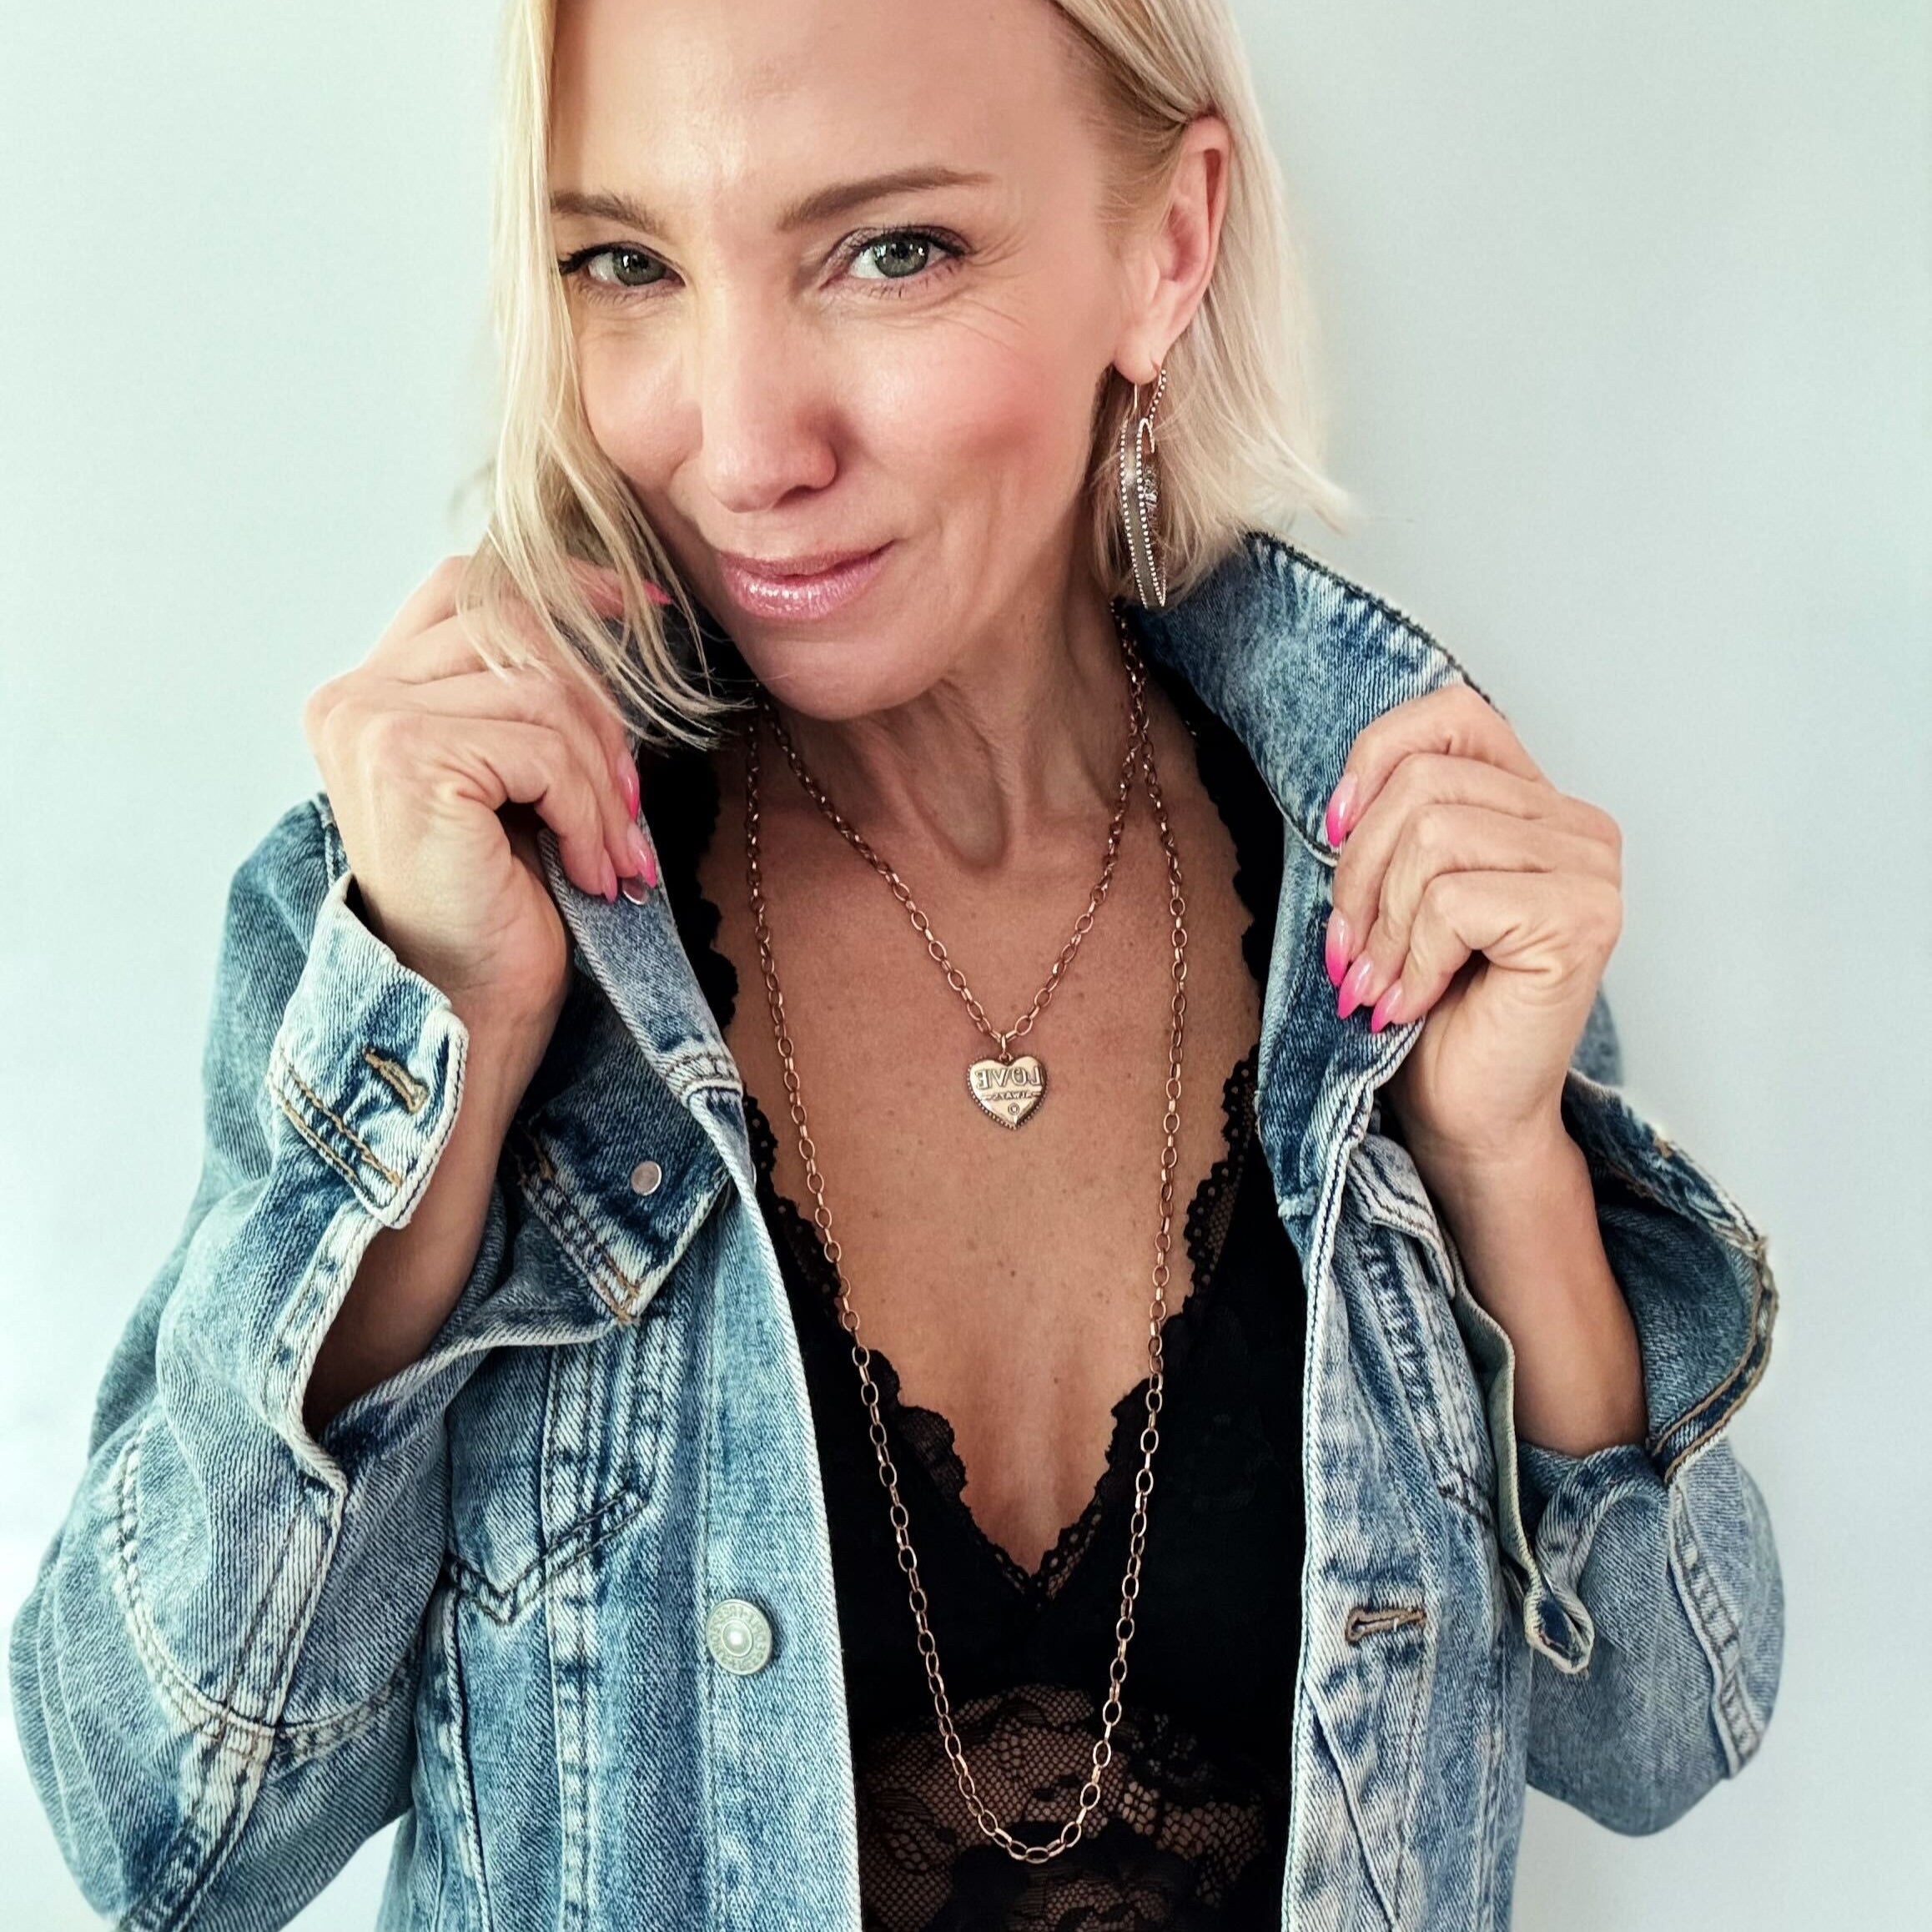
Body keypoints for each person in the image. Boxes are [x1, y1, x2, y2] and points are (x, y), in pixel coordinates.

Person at [8, 0, 1784, 1926]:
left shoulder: (1401, 878)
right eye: (628, 264)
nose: (747, 445)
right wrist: (445, 1038)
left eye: (891, 252)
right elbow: (168, 1837)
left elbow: (1666, 1737)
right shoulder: (440, 926)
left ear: (1167, 244)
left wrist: (1507, 1164)